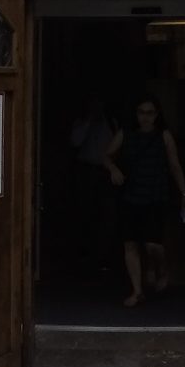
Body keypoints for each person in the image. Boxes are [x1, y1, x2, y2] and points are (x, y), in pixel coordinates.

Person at [104, 96, 185, 307]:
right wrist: (113, 169)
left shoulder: (163, 136)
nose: (145, 117)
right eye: (141, 112)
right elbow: (106, 155)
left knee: (153, 245)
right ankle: (137, 290)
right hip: (130, 195)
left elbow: (174, 164)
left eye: (149, 112)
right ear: (136, 114)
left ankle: (161, 268)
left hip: (155, 195)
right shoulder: (125, 133)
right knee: (131, 243)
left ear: (157, 114)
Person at [67, 96, 120, 275]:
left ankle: (103, 257)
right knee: (84, 212)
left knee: (107, 215)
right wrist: (89, 120)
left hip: (106, 173)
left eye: (100, 102)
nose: (97, 106)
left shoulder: (111, 123)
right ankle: (83, 258)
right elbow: (75, 141)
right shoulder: (81, 122)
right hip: (86, 171)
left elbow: (118, 146)